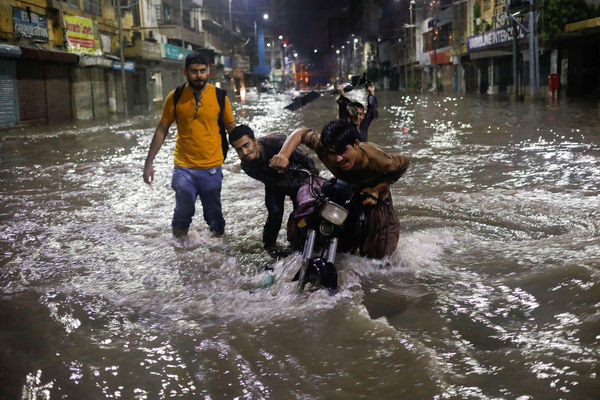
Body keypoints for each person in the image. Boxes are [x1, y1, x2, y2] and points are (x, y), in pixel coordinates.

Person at [270, 119, 409, 259]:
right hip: (347, 191)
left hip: (373, 199)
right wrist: (283, 155)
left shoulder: (375, 157)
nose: (338, 159)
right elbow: (301, 132)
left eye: (342, 151)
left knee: (379, 258)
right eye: (332, 153)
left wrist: (377, 189)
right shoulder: (323, 146)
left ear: (356, 144)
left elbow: (403, 164)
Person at [143, 52, 236, 238]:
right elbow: (162, 130)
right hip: (183, 167)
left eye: (203, 71)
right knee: (182, 214)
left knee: (215, 218)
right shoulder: (175, 97)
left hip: (211, 167)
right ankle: (180, 255)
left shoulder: (219, 97)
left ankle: (218, 256)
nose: (199, 75)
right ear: (185, 71)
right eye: (194, 71)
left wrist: (249, 156)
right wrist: (149, 162)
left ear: (208, 70)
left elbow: (232, 128)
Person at [229, 124, 318, 250]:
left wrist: (306, 188)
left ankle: (303, 246)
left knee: (302, 216)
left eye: (246, 145)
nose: (244, 152)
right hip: (274, 184)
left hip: (299, 178)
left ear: (255, 141)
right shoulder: (246, 165)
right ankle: (269, 248)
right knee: (274, 214)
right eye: (238, 149)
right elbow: (271, 183)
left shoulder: (276, 143)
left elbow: (311, 165)